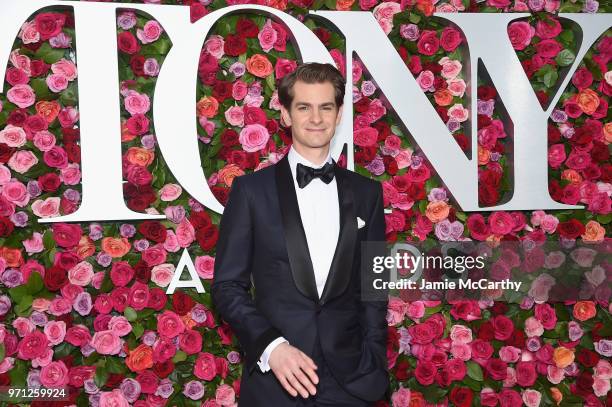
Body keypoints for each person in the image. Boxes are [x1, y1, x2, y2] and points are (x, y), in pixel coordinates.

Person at [211, 62, 389, 406]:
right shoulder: (251, 192)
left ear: (339, 115)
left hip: (352, 384)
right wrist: (272, 348)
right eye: (304, 107)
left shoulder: (368, 194)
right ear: (286, 114)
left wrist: (374, 361)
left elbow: (374, 287)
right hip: (276, 383)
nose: (316, 118)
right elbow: (227, 287)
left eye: (326, 107)